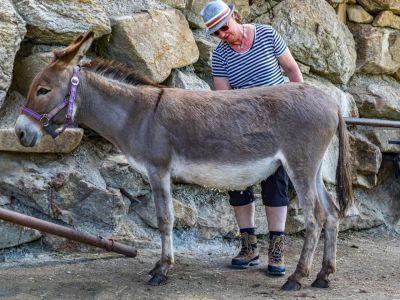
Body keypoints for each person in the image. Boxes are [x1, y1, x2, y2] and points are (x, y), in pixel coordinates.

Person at [200, 0, 303, 276]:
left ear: (235, 16)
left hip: (278, 123)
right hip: (243, 126)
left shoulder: (267, 34)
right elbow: (224, 98)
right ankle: (249, 245)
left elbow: (292, 71)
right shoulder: (220, 55)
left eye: (224, 27)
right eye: (216, 33)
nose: (223, 34)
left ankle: (276, 249)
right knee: (237, 182)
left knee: (275, 185)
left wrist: (299, 107)